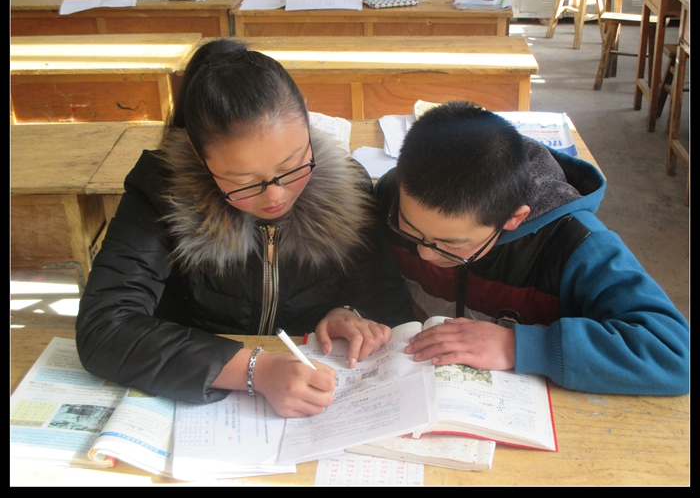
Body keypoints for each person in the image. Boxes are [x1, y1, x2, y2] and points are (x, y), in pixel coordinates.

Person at [76, 39, 392, 416]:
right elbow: (105, 329)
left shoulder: (347, 188)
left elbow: (381, 298)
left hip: (316, 386)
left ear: (307, 125)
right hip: (194, 395)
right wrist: (258, 369)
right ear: (199, 156)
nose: (275, 195)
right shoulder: (161, 193)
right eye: (243, 182)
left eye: (292, 166)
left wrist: (348, 311)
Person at [375, 101, 689, 396]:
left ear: (514, 218)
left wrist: (518, 346)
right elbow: (373, 274)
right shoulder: (392, 196)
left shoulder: (577, 244)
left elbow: (675, 354)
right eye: (411, 231)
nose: (426, 254)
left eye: (451, 245)